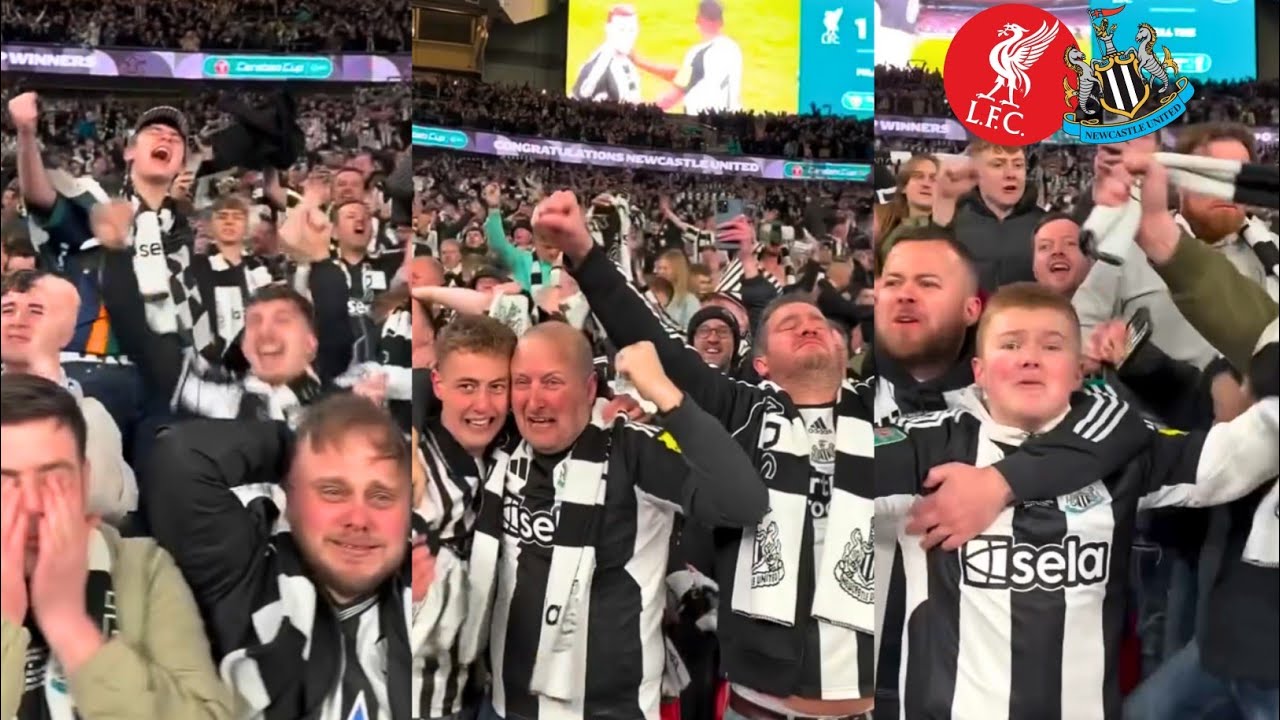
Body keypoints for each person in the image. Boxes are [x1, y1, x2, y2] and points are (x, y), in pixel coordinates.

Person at [539, 191, 876, 719]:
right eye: (789, 325)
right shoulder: (741, 408)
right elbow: (655, 341)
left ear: (845, 350)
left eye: (819, 324)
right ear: (760, 363)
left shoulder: (886, 416)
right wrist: (583, 251)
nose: (809, 326)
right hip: (756, 702)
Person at [874, 282, 1278, 719]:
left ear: (1076, 370)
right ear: (980, 370)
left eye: (1052, 346)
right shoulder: (924, 445)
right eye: (1010, 344)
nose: (1030, 357)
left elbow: (1245, 452)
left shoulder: (1129, 453)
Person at [469, 322, 768, 720]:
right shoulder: (498, 444)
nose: (534, 401)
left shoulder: (632, 448)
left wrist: (666, 398)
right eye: (521, 382)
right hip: (507, 706)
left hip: (613, 710)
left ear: (590, 388)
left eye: (552, 382)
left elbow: (743, 502)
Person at [144, 394, 413, 719]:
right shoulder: (245, 574)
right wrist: (297, 442)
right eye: (332, 491)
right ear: (290, 496)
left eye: (381, 497)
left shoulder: (437, 589)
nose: (358, 519)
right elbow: (180, 459)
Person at [0, 375, 235, 719]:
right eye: (6, 482)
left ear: (83, 482)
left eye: (53, 478)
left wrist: (72, 628)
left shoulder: (142, 568)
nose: (34, 503)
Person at [1, 270, 137, 524]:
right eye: (8, 310)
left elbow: (104, 503)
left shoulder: (91, 417)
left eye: (36, 311)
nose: (18, 321)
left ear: (65, 331)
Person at [632, 0, 743, 113]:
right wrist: (640, 62)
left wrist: (640, 111)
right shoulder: (732, 48)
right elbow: (684, 74)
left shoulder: (699, 53)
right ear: (721, 22)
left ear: (698, 19)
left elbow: (672, 97)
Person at [571, 3, 643, 104]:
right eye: (621, 30)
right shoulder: (599, 67)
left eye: (632, 30)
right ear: (609, 29)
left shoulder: (627, 59)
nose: (627, 36)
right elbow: (577, 98)